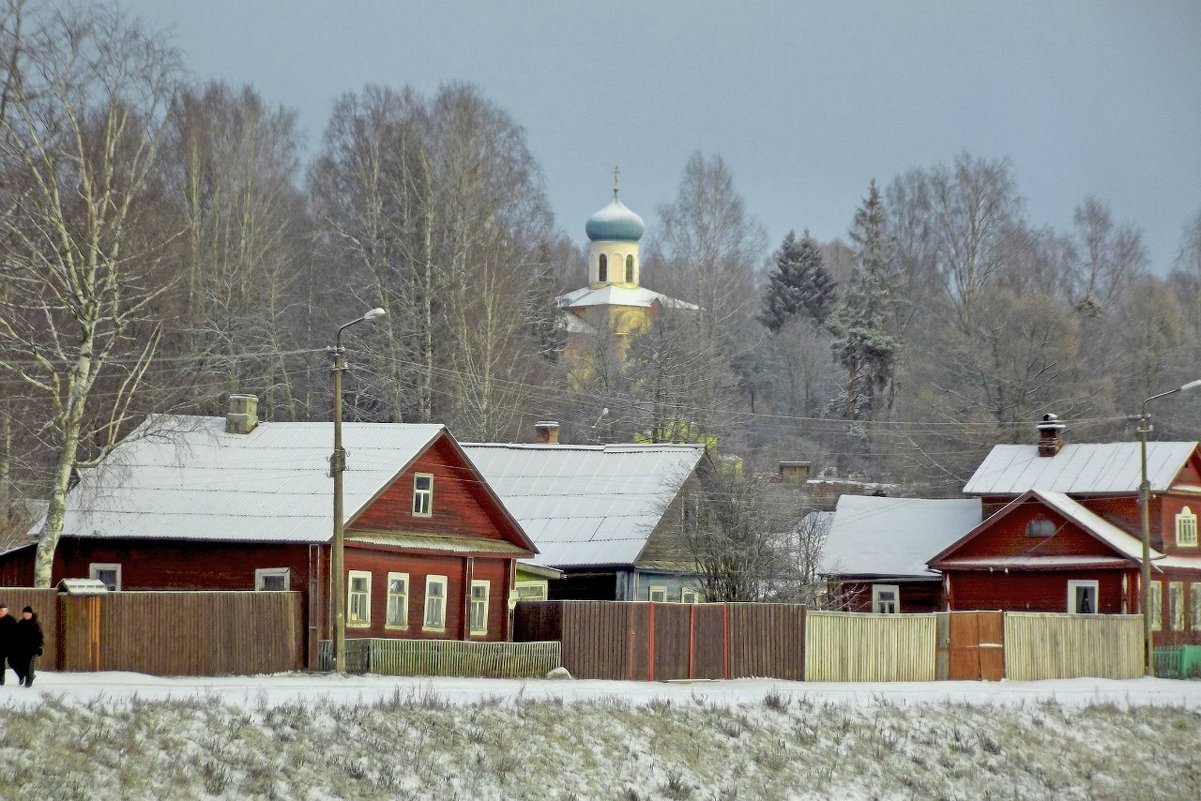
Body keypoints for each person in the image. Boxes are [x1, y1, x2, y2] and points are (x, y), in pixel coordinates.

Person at [12, 606, 42, 688]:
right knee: (18, 663)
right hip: (22, 649)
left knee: (29, 665)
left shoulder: (35, 624)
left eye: (28, 613)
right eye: (24, 613)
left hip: (32, 649)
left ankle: (29, 681)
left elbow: (39, 636)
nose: (26, 615)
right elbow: (16, 635)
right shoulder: (21, 623)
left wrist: (39, 647)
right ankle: (27, 676)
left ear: (31, 614)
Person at [0, 603, 15, 686]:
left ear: (6, 611)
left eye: (2, 610)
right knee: (0, 663)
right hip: (1, 647)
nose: (0, 612)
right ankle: (1, 679)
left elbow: (15, 634)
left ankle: (22, 675)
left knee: (12, 662)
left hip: (10, 646)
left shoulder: (11, 620)